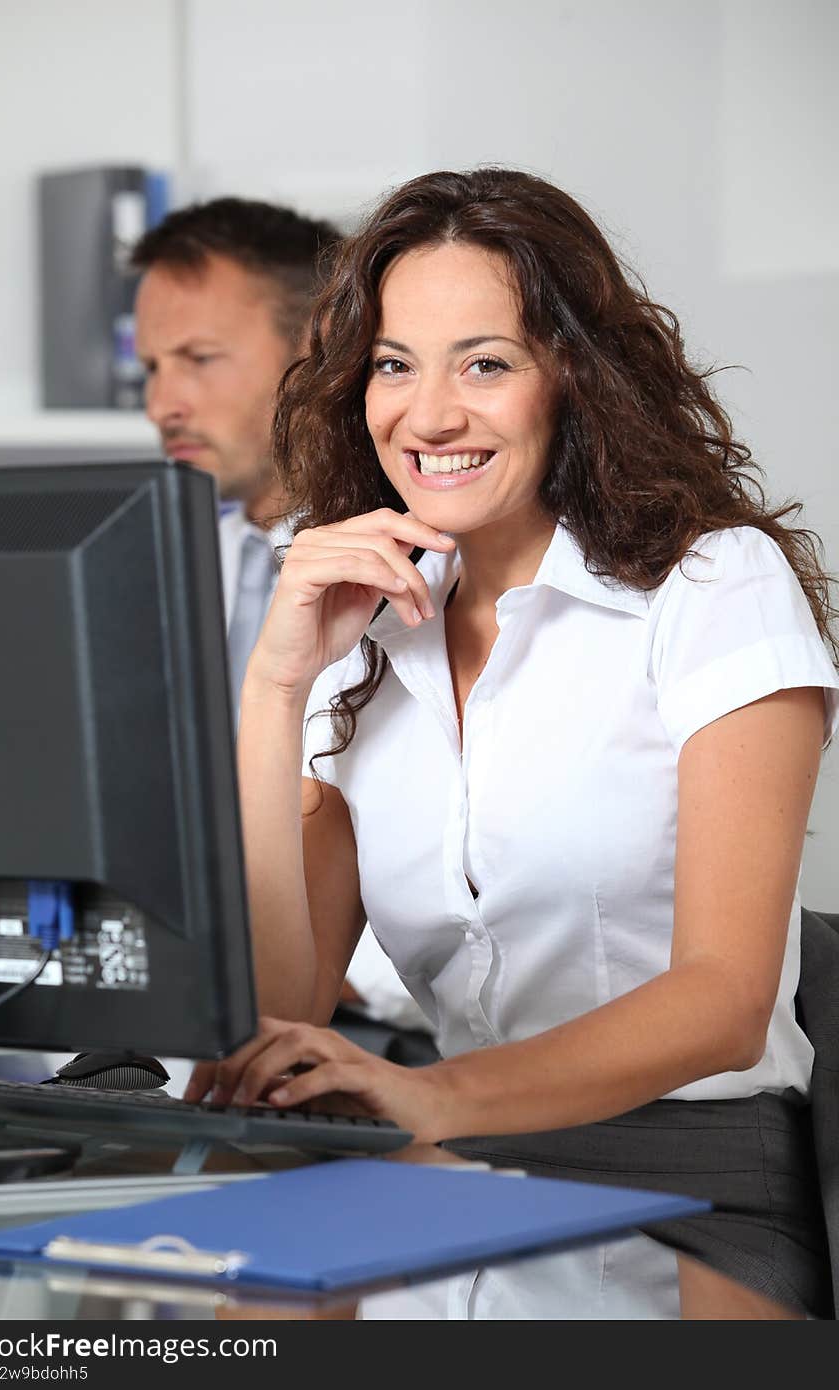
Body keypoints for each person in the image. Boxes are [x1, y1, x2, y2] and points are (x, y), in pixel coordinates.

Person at [185, 168, 839, 1319]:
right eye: (395, 364)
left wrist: (432, 1096)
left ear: (572, 378)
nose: (427, 414)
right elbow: (280, 1011)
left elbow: (726, 998)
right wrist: (274, 686)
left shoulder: (712, 585)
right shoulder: (365, 632)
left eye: (484, 362)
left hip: (688, 1180)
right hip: (450, 1169)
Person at [131, 197, 436, 1061]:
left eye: (198, 360)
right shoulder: (173, 568)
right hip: (209, 1016)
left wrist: (331, 974)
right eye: (151, 368)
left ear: (321, 346)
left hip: (390, 1027)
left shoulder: (415, 566)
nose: (165, 402)